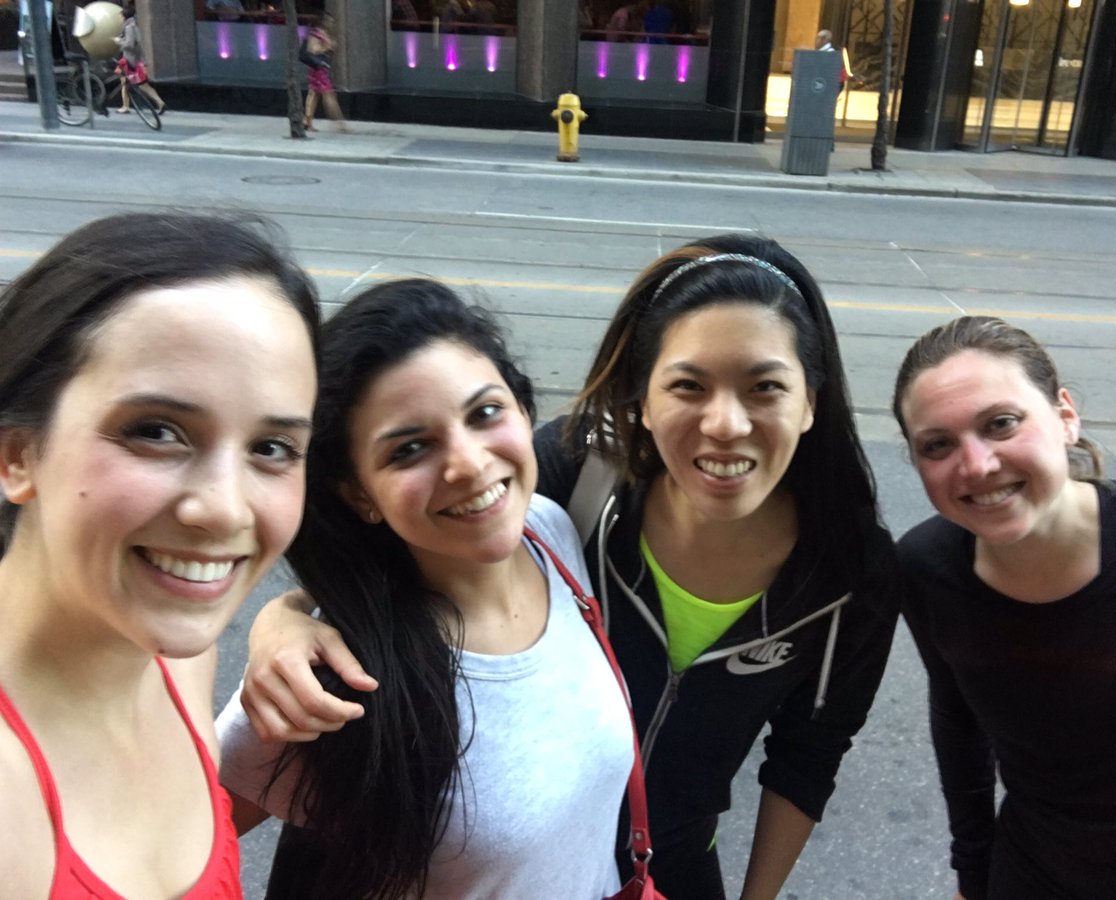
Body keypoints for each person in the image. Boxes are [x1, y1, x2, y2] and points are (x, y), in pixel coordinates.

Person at [240, 235, 900, 899]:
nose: (725, 424)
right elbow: (416, 547)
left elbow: (809, 754)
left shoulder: (849, 569)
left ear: (810, 400)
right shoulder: (577, 484)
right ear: (643, 399)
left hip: (658, 860)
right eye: (688, 386)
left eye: (765, 387)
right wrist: (291, 617)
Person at [216, 279, 634, 899]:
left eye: (484, 413)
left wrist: (286, 607)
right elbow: (179, 842)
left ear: (522, 412)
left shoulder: (548, 531)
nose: (467, 463)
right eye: (410, 448)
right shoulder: (341, 673)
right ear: (360, 493)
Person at [0, 211, 320, 899]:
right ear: (17, 453)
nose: (226, 508)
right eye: (156, 431)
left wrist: (291, 615)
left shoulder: (179, 663)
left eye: (272, 448)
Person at [892, 316, 1116, 900]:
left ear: (1064, 417)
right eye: (938, 445)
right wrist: (973, 875)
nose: (978, 465)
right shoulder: (925, 566)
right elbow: (957, 723)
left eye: (1001, 424)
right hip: (1034, 875)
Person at [113, 5, 165, 115]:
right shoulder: (133, 25)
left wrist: (119, 41)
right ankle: (125, 106)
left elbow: (130, 44)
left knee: (141, 85)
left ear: (124, 16)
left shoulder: (129, 27)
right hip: (133, 60)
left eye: (121, 15)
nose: (120, 17)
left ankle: (158, 102)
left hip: (130, 61)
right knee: (127, 83)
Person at [301, 13, 348, 133]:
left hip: (321, 68)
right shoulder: (316, 34)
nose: (332, 24)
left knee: (314, 94)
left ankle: (307, 121)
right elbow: (313, 50)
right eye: (330, 21)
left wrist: (330, 47)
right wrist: (327, 47)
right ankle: (339, 123)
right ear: (323, 22)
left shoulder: (323, 33)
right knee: (329, 95)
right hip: (318, 69)